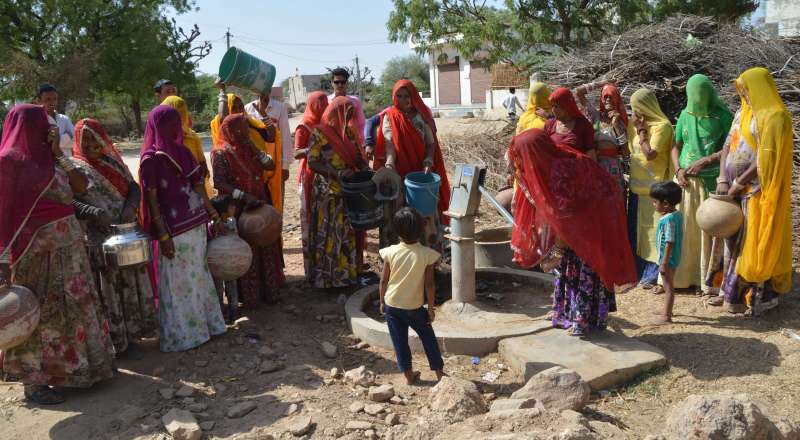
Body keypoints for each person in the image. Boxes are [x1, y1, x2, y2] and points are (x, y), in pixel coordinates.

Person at [0, 104, 115, 404]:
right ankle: (33, 382)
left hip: (70, 249)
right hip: (36, 252)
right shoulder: (8, 161)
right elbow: (1, 212)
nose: (50, 128)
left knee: (73, 310)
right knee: (39, 314)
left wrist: (58, 155)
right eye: (44, 124)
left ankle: (76, 371)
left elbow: (81, 187)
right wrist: (1, 260)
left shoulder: (52, 159)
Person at [508, 129, 636, 337]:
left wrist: (556, 251)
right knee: (570, 268)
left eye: (524, 156)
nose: (522, 162)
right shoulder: (551, 163)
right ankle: (566, 314)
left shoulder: (561, 171)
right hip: (580, 221)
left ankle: (583, 321)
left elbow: (567, 216)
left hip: (591, 220)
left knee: (586, 268)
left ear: (535, 152)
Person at [139, 105, 226, 352]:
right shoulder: (151, 160)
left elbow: (199, 188)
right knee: (180, 283)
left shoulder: (182, 152)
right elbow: (152, 200)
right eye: (169, 123)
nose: (175, 128)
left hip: (194, 227)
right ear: (158, 126)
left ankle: (202, 330)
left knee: (195, 278)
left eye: (177, 122)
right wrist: (163, 235)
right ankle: (187, 335)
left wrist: (213, 217)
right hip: (174, 231)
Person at [707, 67, 793, 315]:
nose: (742, 93)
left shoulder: (776, 117)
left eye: (745, 88)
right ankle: (727, 292)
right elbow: (727, 146)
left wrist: (739, 182)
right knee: (730, 242)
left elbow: (767, 160)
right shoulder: (741, 114)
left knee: (752, 243)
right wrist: (724, 177)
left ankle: (752, 297)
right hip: (732, 189)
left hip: (756, 191)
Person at [70, 118, 157, 359]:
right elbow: (70, 201)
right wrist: (94, 213)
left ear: (102, 140)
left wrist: (130, 206)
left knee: (131, 283)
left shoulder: (113, 163)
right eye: (84, 140)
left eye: (94, 139)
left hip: (126, 232)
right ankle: (115, 341)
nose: (89, 145)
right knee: (109, 288)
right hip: (100, 237)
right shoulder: (74, 167)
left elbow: (134, 187)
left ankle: (133, 335)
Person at [211, 113, 285, 306]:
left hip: (259, 202)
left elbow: (270, 164)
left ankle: (270, 291)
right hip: (240, 207)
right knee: (247, 249)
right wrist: (243, 196)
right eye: (243, 127)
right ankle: (250, 297)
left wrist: (253, 147)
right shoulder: (220, 152)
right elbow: (219, 182)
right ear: (233, 129)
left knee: (266, 244)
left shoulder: (249, 147)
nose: (246, 130)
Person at [671, 74, 733, 295]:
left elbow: (730, 147)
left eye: (702, 94)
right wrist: (678, 169)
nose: (697, 99)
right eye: (693, 94)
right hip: (686, 183)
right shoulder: (685, 115)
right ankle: (680, 279)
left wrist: (707, 160)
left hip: (711, 182)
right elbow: (675, 146)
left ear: (710, 93)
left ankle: (704, 280)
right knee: (685, 231)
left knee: (706, 231)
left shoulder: (723, 116)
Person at [373, 80, 451, 250]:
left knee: (424, 214)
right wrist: (389, 164)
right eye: (399, 96)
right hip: (399, 174)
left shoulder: (421, 116)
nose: (403, 100)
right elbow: (389, 144)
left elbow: (431, 144)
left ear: (413, 96)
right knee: (399, 214)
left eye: (407, 96)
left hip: (420, 175)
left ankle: (428, 256)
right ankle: (396, 257)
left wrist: (429, 160)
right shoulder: (390, 117)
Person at [305, 96, 368, 288]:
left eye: (351, 113)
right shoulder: (319, 132)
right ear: (336, 112)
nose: (349, 116)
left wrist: (364, 165)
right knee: (329, 232)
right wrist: (336, 173)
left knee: (345, 232)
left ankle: (345, 275)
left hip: (347, 189)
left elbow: (357, 156)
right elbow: (312, 161)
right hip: (328, 192)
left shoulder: (348, 132)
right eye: (346, 113)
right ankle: (326, 278)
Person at [379, 207, 445, 385]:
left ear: (396, 231)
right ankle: (439, 373)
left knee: (399, 342)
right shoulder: (427, 255)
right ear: (423, 228)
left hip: (392, 305)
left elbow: (383, 281)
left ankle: (408, 375)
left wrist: (381, 302)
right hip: (415, 308)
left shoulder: (390, 252)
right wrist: (430, 308)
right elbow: (429, 284)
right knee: (428, 339)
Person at [626, 88, 675, 289]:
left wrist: (642, 131)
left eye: (637, 107)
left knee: (654, 235)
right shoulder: (634, 125)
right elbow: (629, 149)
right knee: (638, 234)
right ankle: (637, 271)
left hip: (655, 191)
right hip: (637, 189)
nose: (634, 112)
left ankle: (653, 274)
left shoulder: (662, 126)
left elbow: (651, 154)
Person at [211, 83, 282, 214]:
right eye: (234, 107)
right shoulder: (221, 151)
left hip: (260, 194)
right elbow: (219, 183)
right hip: (237, 204)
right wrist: (222, 91)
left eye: (240, 106)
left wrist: (263, 114)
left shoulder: (249, 128)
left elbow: (271, 140)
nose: (239, 110)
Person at [293, 92, 329, 279]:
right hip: (309, 174)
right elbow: (297, 153)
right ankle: (312, 269)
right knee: (310, 217)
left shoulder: (327, 123)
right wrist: (313, 149)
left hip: (324, 176)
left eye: (325, 101)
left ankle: (324, 264)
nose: (323, 105)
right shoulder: (304, 125)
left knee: (323, 219)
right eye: (319, 102)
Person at [576, 81, 629, 190]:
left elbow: (625, 152)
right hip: (595, 164)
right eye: (605, 97)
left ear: (616, 99)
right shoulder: (596, 116)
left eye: (611, 97)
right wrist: (604, 82)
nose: (608, 99)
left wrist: (616, 125)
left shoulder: (621, 122)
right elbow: (579, 92)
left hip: (613, 167)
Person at [245, 92, 293, 203]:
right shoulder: (248, 108)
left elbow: (285, 137)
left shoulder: (280, 107)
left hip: (276, 160)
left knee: (277, 197)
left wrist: (285, 166)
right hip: (257, 161)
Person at [162, 96, 214, 197]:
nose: (180, 117)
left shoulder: (192, 136)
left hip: (196, 188)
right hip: (172, 193)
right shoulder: (161, 140)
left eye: (183, 112)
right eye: (176, 113)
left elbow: (202, 164)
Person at [651, 182, 683, 324]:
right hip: (672, 257)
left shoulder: (668, 219)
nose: (653, 205)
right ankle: (667, 309)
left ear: (665, 204)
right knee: (668, 285)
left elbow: (670, 241)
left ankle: (666, 316)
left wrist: (663, 262)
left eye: (655, 202)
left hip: (668, 260)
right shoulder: (676, 215)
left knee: (668, 287)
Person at [209, 194, 240, 323]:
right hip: (218, 262)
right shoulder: (213, 225)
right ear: (223, 212)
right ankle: (220, 313)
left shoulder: (232, 221)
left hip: (229, 261)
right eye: (231, 206)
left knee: (231, 285)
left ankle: (233, 311)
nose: (234, 208)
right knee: (218, 288)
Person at [544, 88, 597, 158]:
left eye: (556, 106)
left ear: (567, 106)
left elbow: (591, 154)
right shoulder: (549, 124)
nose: (553, 110)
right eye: (552, 106)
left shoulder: (583, 125)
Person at [328, 67, 366, 145]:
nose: (340, 85)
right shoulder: (327, 101)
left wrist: (363, 143)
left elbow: (361, 124)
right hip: (331, 143)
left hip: (351, 142)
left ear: (347, 82)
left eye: (343, 82)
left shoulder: (355, 101)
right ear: (332, 83)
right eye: (336, 82)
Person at [35, 84, 74, 156]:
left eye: (55, 99)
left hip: (68, 162)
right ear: (38, 101)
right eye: (48, 99)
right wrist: (66, 137)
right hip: (46, 164)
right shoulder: (35, 121)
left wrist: (55, 140)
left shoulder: (64, 119)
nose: (52, 103)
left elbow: (74, 140)